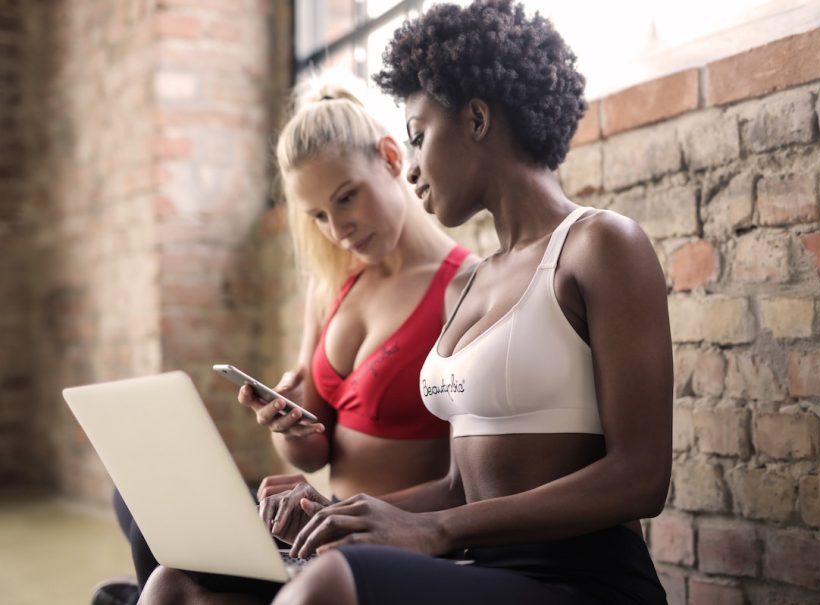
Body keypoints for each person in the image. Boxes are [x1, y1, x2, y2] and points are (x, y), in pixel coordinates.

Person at [139, 1, 670, 604]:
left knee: (332, 584)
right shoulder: (473, 285)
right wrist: (338, 511)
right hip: (476, 563)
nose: (412, 168)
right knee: (177, 582)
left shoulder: (600, 244)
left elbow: (641, 478)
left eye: (418, 137)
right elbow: (457, 483)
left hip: (581, 577)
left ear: (476, 119)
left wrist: (436, 530)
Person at [106, 75, 475, 605]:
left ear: (392, 158)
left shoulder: (463, 288)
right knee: (140, 501)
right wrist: (286, 421)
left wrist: (336, 509)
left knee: (169, 570)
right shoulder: (332, 288)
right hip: (317, 519)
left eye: (347, 198)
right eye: (320, 216)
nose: (338, 228)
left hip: (382, 533)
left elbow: (467, 481)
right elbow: (310, 450)